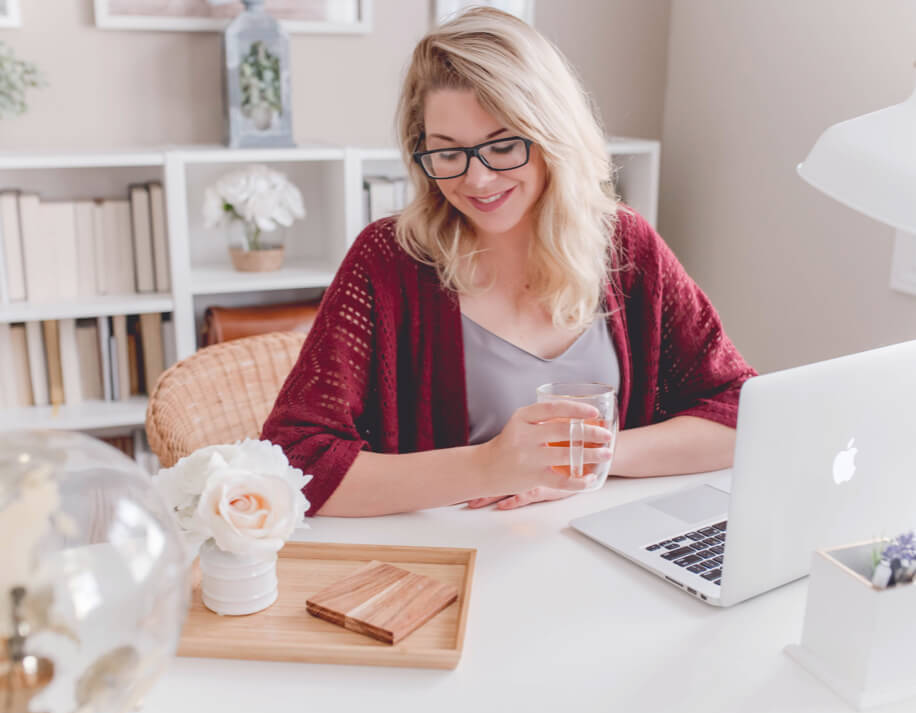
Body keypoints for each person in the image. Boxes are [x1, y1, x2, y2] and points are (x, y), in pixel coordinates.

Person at [261, 7, 756, 517]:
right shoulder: (388, 261)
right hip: (449, 564)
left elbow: (742, 411)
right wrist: (489, 466)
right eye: (447, 152)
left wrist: (587, 460)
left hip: (598, 551)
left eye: (503, 145)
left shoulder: (625, 245)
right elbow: (294, 462)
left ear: (552, 137)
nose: (476, 180)